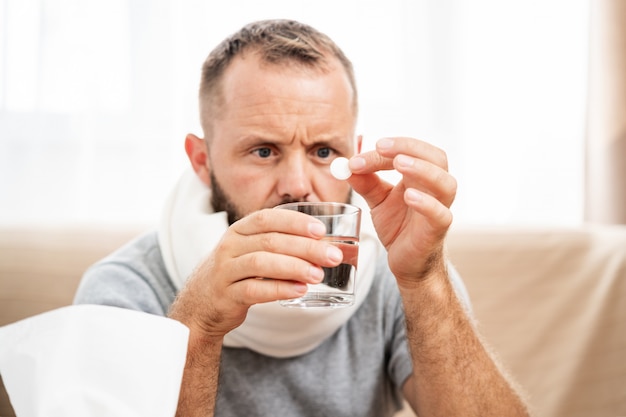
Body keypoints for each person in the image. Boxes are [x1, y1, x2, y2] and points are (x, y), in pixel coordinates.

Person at [74, 19, 530, 417]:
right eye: (264, 150)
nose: (297, 184)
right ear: (202, 160)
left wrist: (424, 280)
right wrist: (199, 325)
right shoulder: (126, 290)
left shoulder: (398, 277)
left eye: (324, 151)